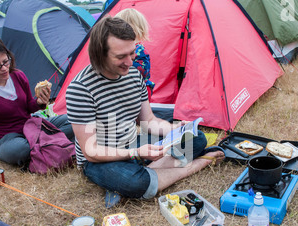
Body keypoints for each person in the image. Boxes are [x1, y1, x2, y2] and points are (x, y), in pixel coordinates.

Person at [65, 17, 224, 207]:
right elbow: (91, 151)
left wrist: (175, 129)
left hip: (133, 144)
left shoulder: (133, 75)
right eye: (120, 57)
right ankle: (197, 164)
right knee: (135, 183)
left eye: (131, 53)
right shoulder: (80, 88)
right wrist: (135, 153)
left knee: (196, 138)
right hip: (100, 159)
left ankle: (146, 172)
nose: (129, 62)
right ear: (100, 54)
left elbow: (148, 120)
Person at [0, 35, 73, 185]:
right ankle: (54, 143)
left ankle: (46, 145)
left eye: (5, 61)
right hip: (7, 139)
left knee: (73, 120)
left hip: (33, 126)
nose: (4, 68)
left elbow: (28, 107)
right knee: (21, 149)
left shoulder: (18, 76)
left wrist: (40, 103)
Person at [115, 8, 155, 98]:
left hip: (139, 90)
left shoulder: (139, 50)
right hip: (128, 90)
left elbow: (142, 72)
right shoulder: (120, 49)